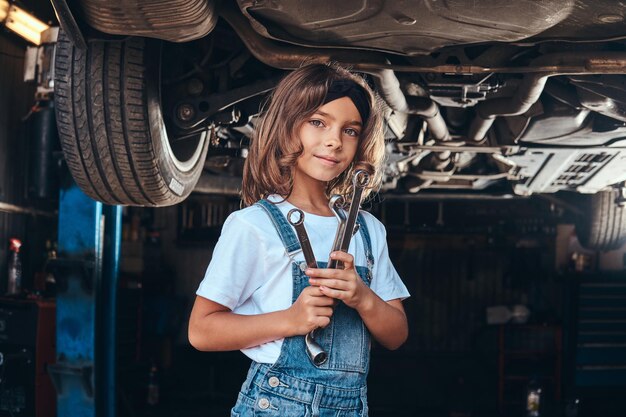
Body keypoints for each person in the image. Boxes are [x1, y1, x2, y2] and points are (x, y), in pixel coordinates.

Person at [188, 63, 410, 417]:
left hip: (351, 407)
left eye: (350, 130)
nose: (334, 141)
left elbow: (396, 334)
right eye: (318, 122)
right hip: (276, 404)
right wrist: (291, 320)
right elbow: (201, 330)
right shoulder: (253, 225)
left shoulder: (368, 230)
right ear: (286, 126)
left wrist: (362, 296)